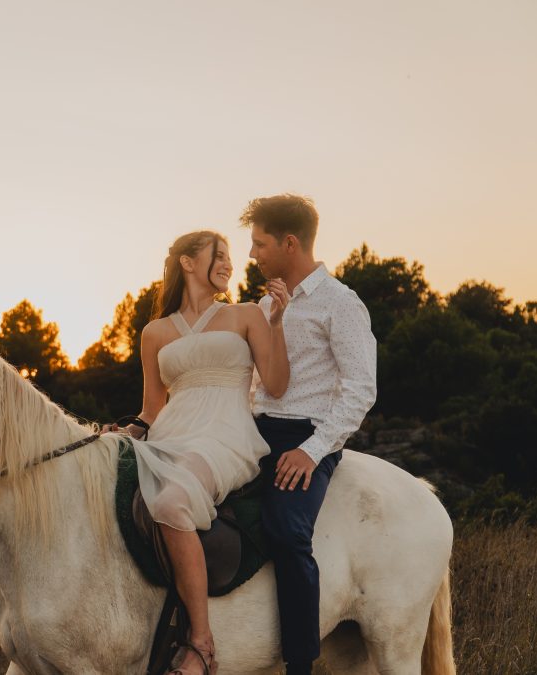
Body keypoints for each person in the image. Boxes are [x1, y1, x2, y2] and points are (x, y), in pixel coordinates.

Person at [111, 230, 290, 675]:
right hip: (171, 435)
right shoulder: (154, 332)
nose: (230, 264)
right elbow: (153, 409)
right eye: (221, 255)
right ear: (189, 263)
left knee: (171, 502)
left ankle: (201, 642)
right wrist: (129, 431)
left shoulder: (247, 315)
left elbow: (277, 384)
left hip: (225, 434)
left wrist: (278, 322)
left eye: (231, 257)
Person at [241, 194, 377, 675]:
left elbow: (361, 388)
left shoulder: (341, 303)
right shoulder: (263, 304)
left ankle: (299, 664)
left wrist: (313, 452)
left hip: (307, 435)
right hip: (254, 432)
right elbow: (257, 386)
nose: (252, 255)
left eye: (259, 244)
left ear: (289, 243)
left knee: (286, 528)